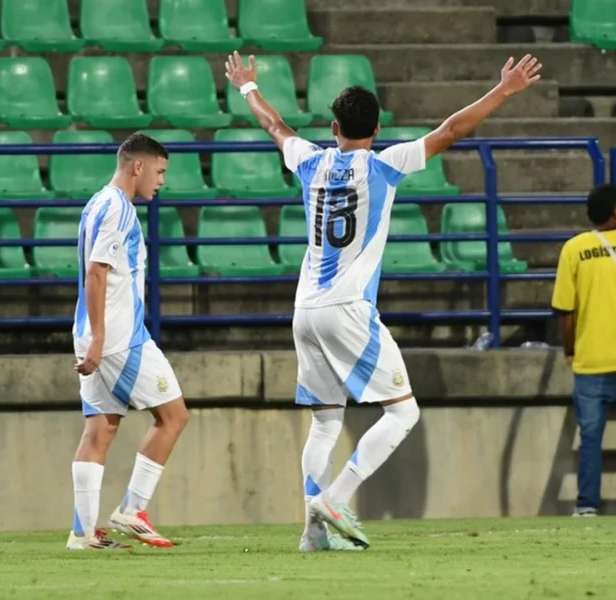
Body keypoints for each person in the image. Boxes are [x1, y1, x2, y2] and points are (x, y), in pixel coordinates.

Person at [225, 51, 542, 550]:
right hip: (348, 308)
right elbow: (451, 131)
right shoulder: (384, 164)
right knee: (403, 413)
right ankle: (336, 498)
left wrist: (247, 87)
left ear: (333, 127)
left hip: (304, 309)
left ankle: (313, 534)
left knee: (326, 420)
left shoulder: (309, 160)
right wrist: (503, 90)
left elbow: (274, 126)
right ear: (377, 129)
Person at [68, 133, 189, 550]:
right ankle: (133, 508)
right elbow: (97, 272)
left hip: (91, 332)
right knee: (173, 417)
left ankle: (82, 534)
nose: (161, 181)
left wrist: (92, 337)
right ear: (138, 166)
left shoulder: (96, 203)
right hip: (119, 337)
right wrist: (102, 338)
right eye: (159, 171)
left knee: (100, 429)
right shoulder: (118, 209)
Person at [551, 184, 616, 517]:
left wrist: (570, 349)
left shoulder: (574, 249)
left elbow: (564, 312)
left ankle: (587, 505)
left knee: (591, 439)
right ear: (615, 213)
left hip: (591, 360)